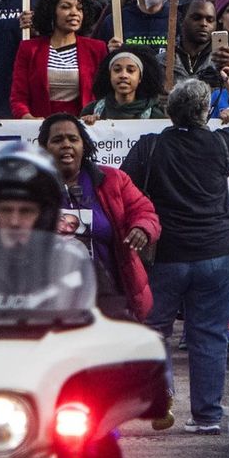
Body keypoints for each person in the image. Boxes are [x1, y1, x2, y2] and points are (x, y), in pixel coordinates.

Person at [121, 73, 229, 434]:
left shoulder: (149, 147)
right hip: (217, 253)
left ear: (171, 112)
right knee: (210, 334)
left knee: (154, 330)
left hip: (165, 255)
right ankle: (207, 416)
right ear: (205, 111)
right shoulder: (222, 145)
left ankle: (159, 395)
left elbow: (124, 189)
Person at [37, 113, 159, 319]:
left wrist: (142, 228)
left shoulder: (113, 180)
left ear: (83, 146)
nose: (66, 144)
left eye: (73, 139)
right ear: (44, 149)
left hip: (108, 296)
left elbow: (144, 211)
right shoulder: (32, 187)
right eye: (57, 140)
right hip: (52, 299)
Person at [11, 0, 109, 117]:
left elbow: (105, 95)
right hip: (40, 130)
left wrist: (96, 115)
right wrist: (28, 118)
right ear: (51, 11)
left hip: (84, 129)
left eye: (80, 8)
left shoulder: (97, 49)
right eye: (66, 7)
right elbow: (18, 97)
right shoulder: (28, 49)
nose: (74, 13)